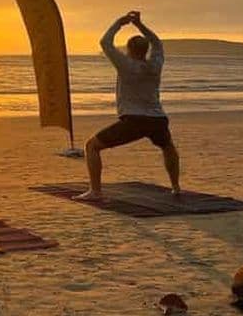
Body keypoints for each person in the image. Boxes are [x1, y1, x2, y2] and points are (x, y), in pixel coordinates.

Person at [77, 11, 180, 201]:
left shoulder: (126, 64)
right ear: (145, 50)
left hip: (134, 119)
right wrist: (140, 25)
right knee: (168, 147)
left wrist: (120, 23)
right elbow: (157, 43)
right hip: (158, 119)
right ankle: (176, 187)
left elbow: (105, 43)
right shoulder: (155, 64)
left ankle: (95, 191)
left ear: (129, 50)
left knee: (91, 146)